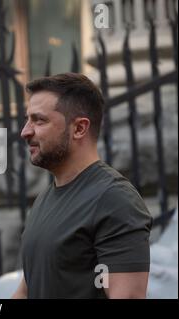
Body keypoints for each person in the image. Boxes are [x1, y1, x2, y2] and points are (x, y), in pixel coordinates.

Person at [12, 73, 152, 299]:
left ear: (79, 128)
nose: (25, 131)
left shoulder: (114, 198)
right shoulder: (44, 199)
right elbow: (26, 291)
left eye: (39, 120)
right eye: (28, 119)